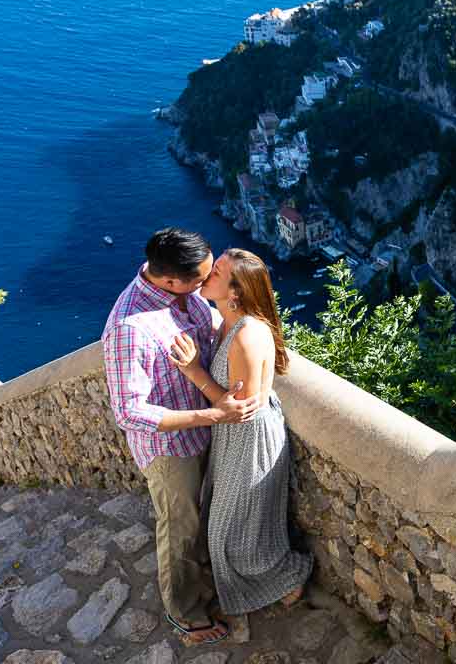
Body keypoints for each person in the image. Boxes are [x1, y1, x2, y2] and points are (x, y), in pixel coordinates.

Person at [102, 228, 258, 646]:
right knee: (180, 529)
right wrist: (213, 412)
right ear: (171, 281)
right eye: (202, 278)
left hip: (206, 428)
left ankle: (207, 580)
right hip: (170, 449)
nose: (209, 284)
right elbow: (129, 412)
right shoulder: (130, 328)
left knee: (200, 517)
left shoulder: (184, 295)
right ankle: (185, 614)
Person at [168, 247, 313, 616]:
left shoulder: (246, 335)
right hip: (236, 440)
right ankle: (269, 582)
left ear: (234, 292)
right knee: (237, 524)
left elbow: (240, 410)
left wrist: (193, 371)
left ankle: (287, 582)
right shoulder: (230, 324)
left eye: (216, 273)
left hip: (249, 439)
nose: (206, 276)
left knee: (231, 531)